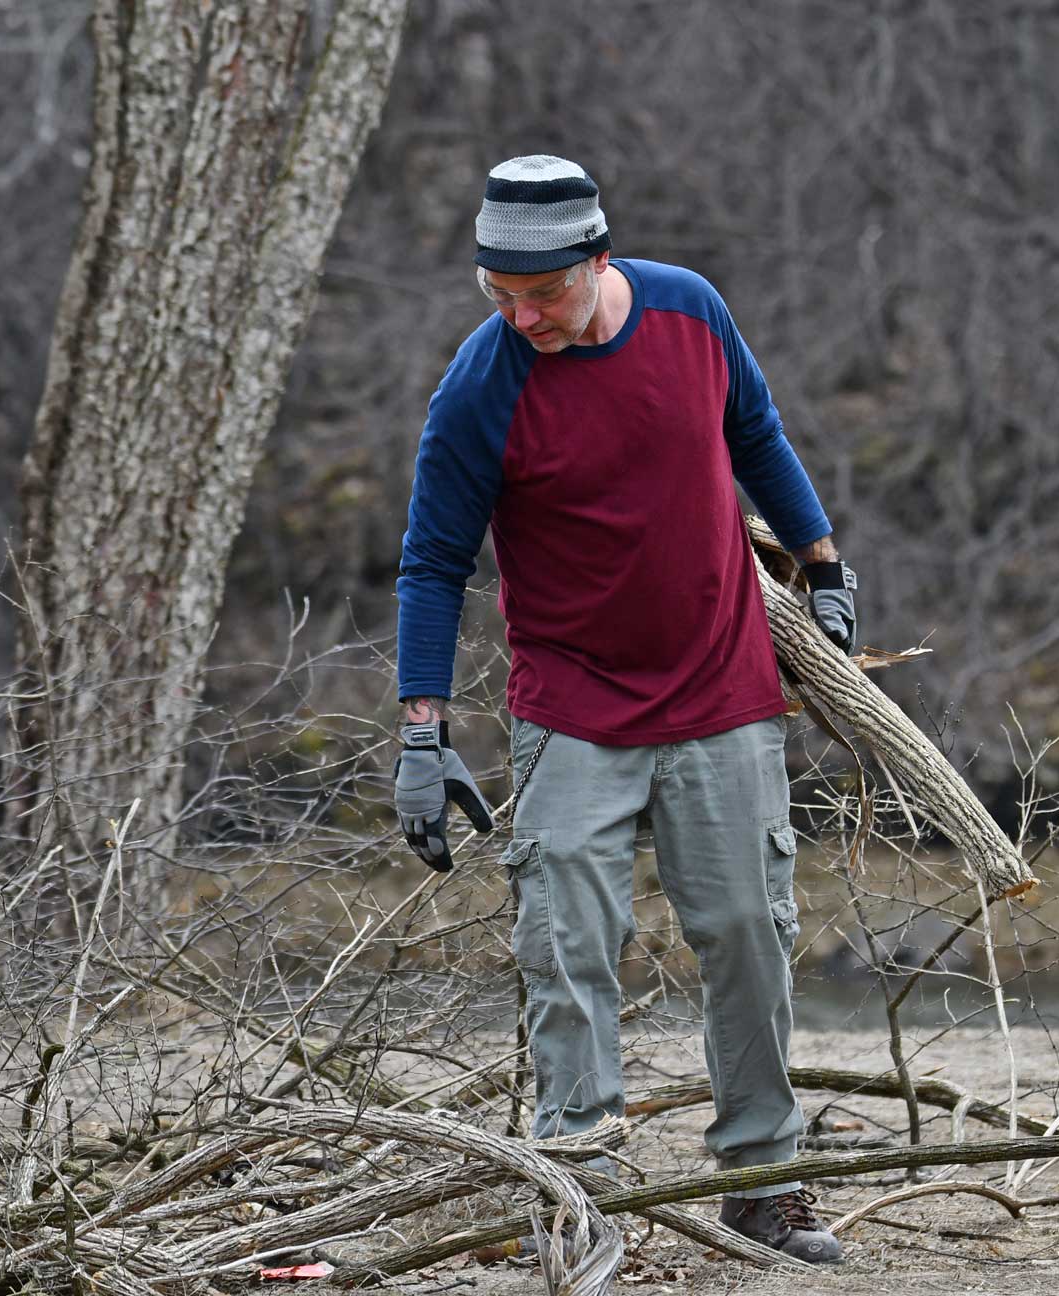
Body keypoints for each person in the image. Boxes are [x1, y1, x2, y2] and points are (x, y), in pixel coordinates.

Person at [392, 155, 855, 1264]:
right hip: (573, 706)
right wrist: (421, 734)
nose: (521, 315)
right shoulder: (481, 383)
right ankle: (579, 1181)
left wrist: (823, 563)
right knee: (568, 946)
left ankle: (764, 1180)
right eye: (497, 293)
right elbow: (430, 565)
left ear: (597, 260)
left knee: (749, 934)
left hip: (720, 688)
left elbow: (757, 432)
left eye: (540, 293)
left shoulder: (689, 311)